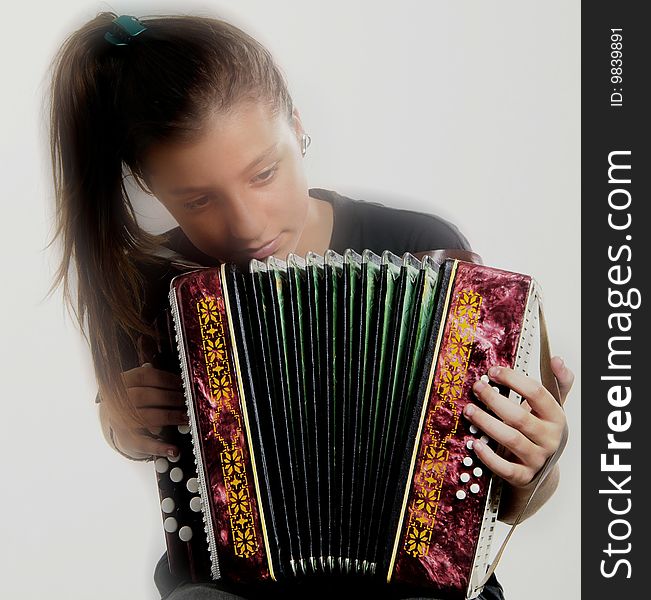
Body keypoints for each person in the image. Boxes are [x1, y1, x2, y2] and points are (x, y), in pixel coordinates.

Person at [48, 13, 573, 600]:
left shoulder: (424, 253)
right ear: (151, 185)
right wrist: (120, 421)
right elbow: (146, 433)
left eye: (264, 173)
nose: (247, 227)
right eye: (197, 200)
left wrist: (538, 461)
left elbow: (504, 508)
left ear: (297, 128)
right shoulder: (161, 286)